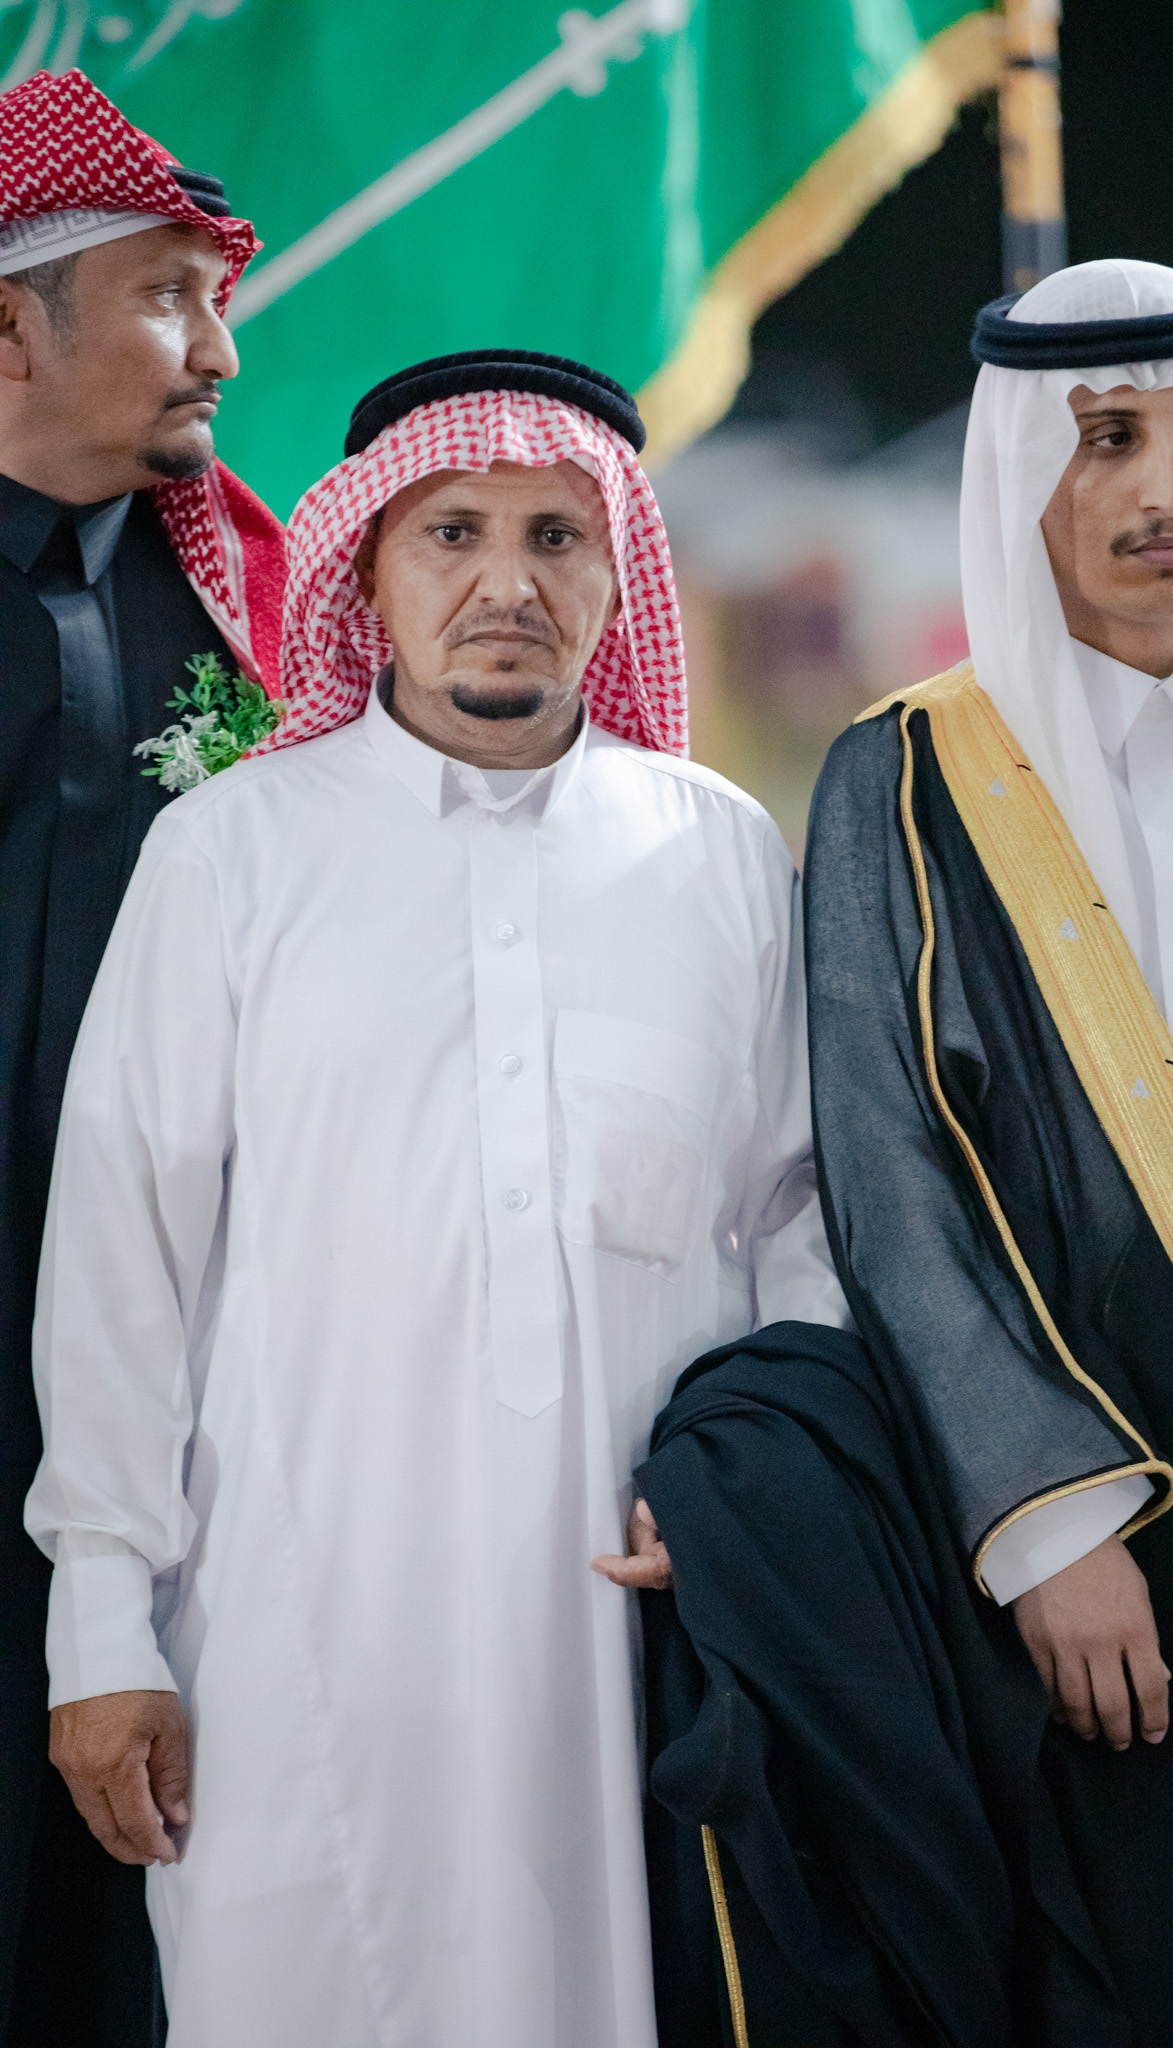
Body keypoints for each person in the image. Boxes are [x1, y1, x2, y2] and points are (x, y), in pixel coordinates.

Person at [24, 350, 847, 2048]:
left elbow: (800, 1226)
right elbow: (120, 1256)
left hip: (639, 1632)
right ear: (366, 572)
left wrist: (760, 1498)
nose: (505, 584)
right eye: (451, 532)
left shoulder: (714, 851)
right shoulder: (234, 851)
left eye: (557, 537)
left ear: (618, 573)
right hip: (289, 1628)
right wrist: (103, 1625)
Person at [633, 260, 1173, 2048]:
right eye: (1102, 439)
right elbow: (890, 1179)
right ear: (1020, 470)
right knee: (1147, 1960)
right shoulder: (905, 772)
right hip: (1080, 1506)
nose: (1163, 489)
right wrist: (1046, 1524)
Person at [0, 67, 284, 2048]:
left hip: (177, 1345)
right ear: (12, 330)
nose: (220, 349)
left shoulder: (255, 602)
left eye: (217, 294)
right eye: (169, 296)